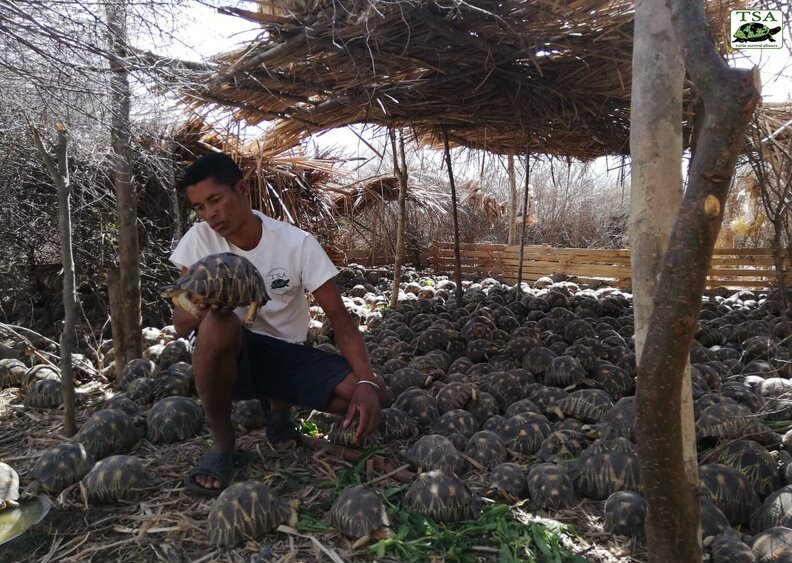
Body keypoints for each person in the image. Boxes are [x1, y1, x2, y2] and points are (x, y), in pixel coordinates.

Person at [169, 152, 387, 495]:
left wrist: (366, 382)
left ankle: (278, 411)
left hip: (288, 356)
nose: (210, 215)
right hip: (234, 356)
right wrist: (206, 299)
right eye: (199, 207)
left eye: (215, 200)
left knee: (368, 397)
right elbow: (181, 323)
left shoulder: (296, 243)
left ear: (242, 190)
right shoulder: (200, 241)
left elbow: (342, 323)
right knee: (219, 322)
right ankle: (223, 445)